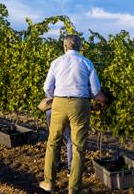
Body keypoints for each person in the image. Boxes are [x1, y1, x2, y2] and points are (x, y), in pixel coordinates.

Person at [39, 35, 106, 193]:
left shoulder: (56, 62)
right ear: (80, 47)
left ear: (64, 46)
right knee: (78, 147)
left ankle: (49, 182)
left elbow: (47, 87)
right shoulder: (86, 62)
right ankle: (74, 188)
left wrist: (56, 96)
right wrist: (102, 99)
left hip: (59, 102)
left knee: (53, 142)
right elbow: (95, 91)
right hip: (80, 104)